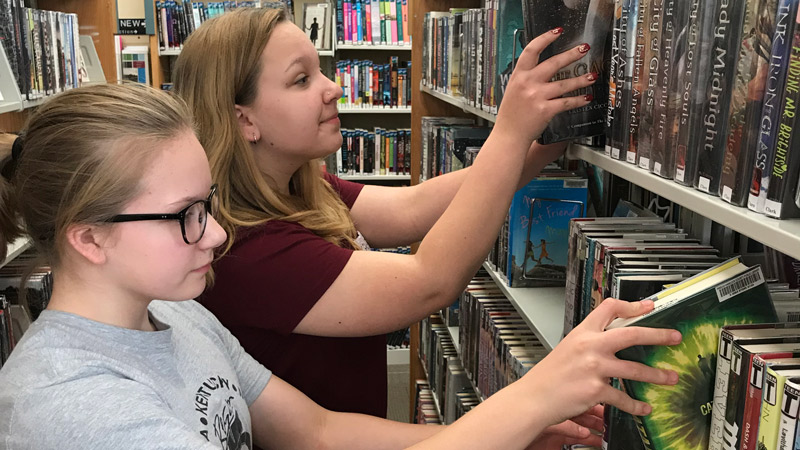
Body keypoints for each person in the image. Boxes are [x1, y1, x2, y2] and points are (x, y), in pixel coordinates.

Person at [0, 82, 681, 449]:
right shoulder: (75, 405)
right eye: (186, 216)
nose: (216, 234)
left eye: (209, 204)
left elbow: (318, 432)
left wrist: (496, 430)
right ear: (90, 239)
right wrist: (530, 399)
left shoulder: (175, 315)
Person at [172, 7, 606, 418]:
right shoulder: (248, 248)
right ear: (244, 120)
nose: (333, 88)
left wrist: (547, 136)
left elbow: (412, 207)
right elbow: (430, 282)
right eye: (301, 80)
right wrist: (509, 132)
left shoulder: (302, 189)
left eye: (320, 70)